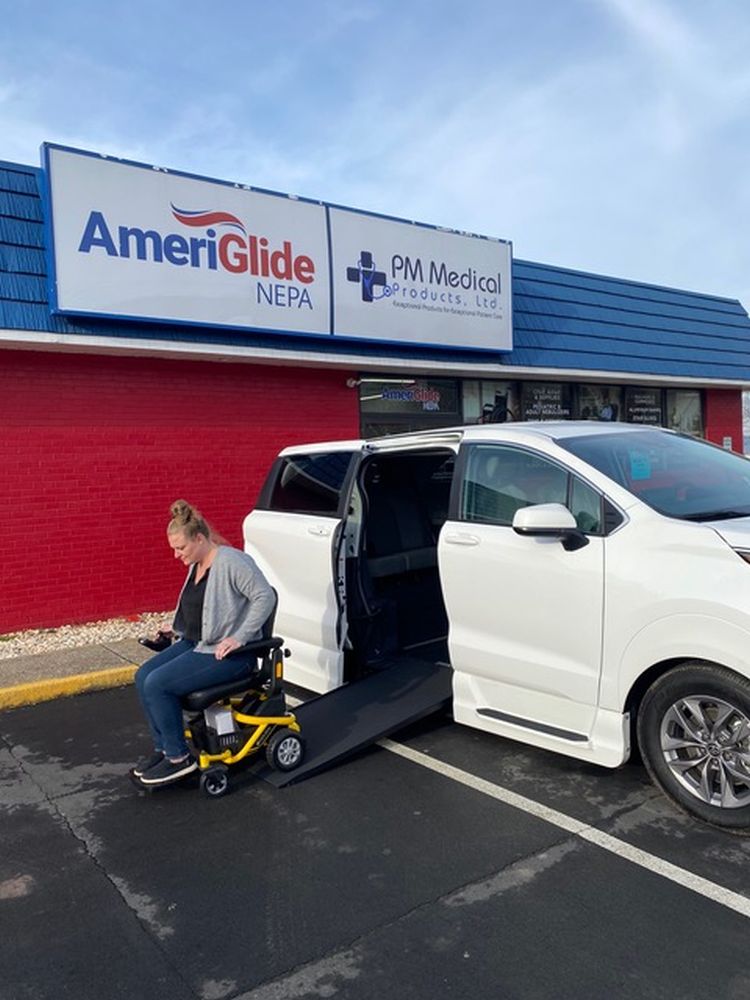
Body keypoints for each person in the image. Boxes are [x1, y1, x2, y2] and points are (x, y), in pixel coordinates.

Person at [132, 499, 275, 786]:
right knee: (143, 675)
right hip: (198, 644)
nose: (176, 555)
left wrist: (239, 637)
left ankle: (178, 759)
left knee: (158, 684)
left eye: (180, 548)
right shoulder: (196, 564)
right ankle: (163, 749)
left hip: (230, 656)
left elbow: (265, 597)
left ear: (199, 538)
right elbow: (199, 611)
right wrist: (173, 629)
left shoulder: (232, 562)